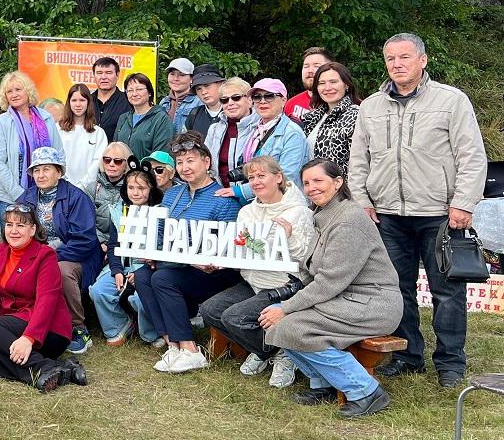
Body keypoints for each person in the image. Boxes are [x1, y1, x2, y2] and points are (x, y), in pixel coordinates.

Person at [349, 32, 487, 388]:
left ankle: (450, 363)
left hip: (439, 213)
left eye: (405, 57)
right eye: (391, 58)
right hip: (388, 214)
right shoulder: (371, 107)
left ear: (422, 60)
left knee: (447, 290)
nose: (397, 64)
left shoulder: (451, 101)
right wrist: (363, 201)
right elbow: (359, 160)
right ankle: (409, 356)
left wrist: (463, 203)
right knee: (396, 289)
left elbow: (471, 156)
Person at [261, 159, 404, 416]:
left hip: (371, 305)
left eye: (319, 181)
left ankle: (366, 391)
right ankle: (324, 384)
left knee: (292, 326)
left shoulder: (348, 220)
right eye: (306, 183)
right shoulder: (324, 215)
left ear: (338, 183)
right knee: (275, 320)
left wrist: (287, 307)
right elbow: (313, 270)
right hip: (345, 299)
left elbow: (329, 281)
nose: (312, 187)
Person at [199, 156, 316, 389]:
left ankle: (286, 353)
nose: (255, 181)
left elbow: (306, 258)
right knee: (210, 310)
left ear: (279, 177)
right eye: (251, 177)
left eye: (261, 176)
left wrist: (289, 236)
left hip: (285, 283)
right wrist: (222, 261)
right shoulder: (246, 212)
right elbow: (247, 248)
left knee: (235, 317)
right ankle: (265, 349)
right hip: (254, 280)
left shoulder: (299, 212)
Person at [133, 134, 242, 374]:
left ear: (206, 162)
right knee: (142, 275)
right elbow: (160, 231)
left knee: (162, 279)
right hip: (176, 264)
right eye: (180, 162)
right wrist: (153, 252)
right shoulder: (172, 195)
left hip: (213, 272)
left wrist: (211, 261)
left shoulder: (222, 199)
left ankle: (191, 350)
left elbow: (230, 246)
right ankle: (173, 344)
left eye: (191, 161)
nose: (185, 167)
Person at [0, 205, 78, 392]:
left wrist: (28, 338)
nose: (13, 230)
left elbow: (47, 301)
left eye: (20, 225)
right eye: (9, 224)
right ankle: (56, 369)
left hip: (49, 329)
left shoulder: (45, 255)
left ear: (33, 229)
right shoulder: (2, 249)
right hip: (17, 321)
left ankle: (43, 366)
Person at [18, 147, 106, 354]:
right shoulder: (27, 197)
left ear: (59, 171)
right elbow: (17, 228)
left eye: (46, 169)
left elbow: (85, 239)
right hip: (37, 254)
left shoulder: (76, 197)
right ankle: (26, 320)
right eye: (36, 170)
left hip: (75, 255)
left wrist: (49, 256)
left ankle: (79, 329)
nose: (40, 175)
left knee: (60, 271)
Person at [89, 168, 162, 345]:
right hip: (121, 264)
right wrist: (117, 270)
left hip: (147, 268)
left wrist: (143, 271)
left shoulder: (160, 212)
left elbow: (162, 247)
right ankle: (120, 325)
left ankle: (153, 331)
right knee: (99, 290)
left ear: (151, 188)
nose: (135, 192)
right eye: (131, 187)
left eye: (141, 188)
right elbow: (113, 245)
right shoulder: (118, 212)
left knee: (141, 298)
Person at [0, 71, 64, 223]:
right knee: (15, 240)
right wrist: (19, 195)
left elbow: (59, 155)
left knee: (41, 240)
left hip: (45, 194)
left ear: (28, 91)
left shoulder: (46, 118)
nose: (14, 94)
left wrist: (55, 187)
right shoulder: (1, 122)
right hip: (9, 197)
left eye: (18, 89)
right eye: (9, 91)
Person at [224, 79, 307, 202]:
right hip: (258, 202)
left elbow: (287, 177)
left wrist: (241, 191)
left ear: (283, 100)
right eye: (257, 97)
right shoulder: (255, 129)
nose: (263, 101)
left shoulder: (292, 133)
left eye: (269, 96)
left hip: (282, 204)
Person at [299, 61, 359, 173]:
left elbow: (360, 162)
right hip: (313, 186)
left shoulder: (356, 115)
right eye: (321, 83)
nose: (327, 88)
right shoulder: (312, 118)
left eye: (333, 82)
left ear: (346, 85)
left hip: (343, 188)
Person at [204, 77, 257, 189]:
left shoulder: (260, 127)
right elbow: (205, 164)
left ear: (249, 100)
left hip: (253, 194)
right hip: (219, 194)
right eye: (224, 100)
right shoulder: (214, 129)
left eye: (236, 98)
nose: (230, 103)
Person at [55, 83, 107, 197]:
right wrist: (66, 183)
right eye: (74, 100)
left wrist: (82, 186)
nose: (78, 104)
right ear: (69, 102)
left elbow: (97, 162)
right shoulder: (57, 129)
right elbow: (56, 158)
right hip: (61, 188)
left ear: (88, 102)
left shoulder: (98, 133)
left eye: (82, 100)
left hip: (87, 191)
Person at [113, 73, 175, 160]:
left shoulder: (161, 119)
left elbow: (161, 155)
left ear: (149, 92)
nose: (134, 94)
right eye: (130, 90)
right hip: (122, 172)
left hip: (148, 172)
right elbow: (115, 149)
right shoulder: (123, 118)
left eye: (139, 89)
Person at [92, 142, 133, 244]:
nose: (111, 164)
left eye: (117, 161)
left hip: (123, 243)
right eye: (107, 160)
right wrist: (101, 242)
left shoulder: (133, 189)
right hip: (95, 242)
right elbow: (86, 221)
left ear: (126, 165)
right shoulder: (92, 188)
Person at [285, 47, 332, 124]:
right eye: (306, 66)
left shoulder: (341, 106)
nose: (310, 70)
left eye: (316, 66)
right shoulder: (291, 104)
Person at [91, 56, 131, 142]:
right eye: (99, 73)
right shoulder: (86, 101)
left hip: (118, 153)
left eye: (108, 72)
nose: (103, 77)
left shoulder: (128, 101)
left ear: (117, 75)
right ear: (94, 76)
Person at [159, 58, 201, 132]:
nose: (175, 78)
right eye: (172, 74)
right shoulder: (164, 102)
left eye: (181, 75)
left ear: (191, 79)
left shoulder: (199, 102)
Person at [184, 64, 226, 138]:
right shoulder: (194, 114)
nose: (204, 92)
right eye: (199, 89)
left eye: (207, 86)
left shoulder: (232, 111)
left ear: (220, 84)